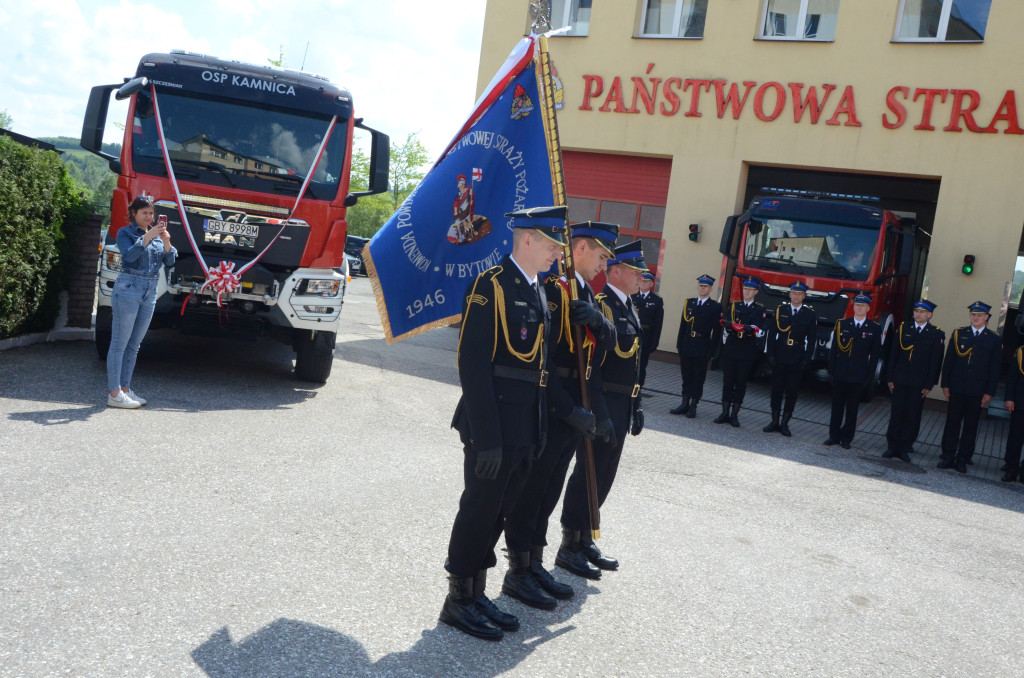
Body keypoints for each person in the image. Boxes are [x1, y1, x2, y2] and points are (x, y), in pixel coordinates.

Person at [441, 206, 566, 641]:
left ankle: (476, 592)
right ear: (527, 239)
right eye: (552, 244)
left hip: (524, 427)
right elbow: (472, 364)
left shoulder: (538, 290)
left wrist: (539, 430)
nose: (557, 253)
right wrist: (489, 437)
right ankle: (457, 599)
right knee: (479, 509)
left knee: (501, 511)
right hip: (491, 424)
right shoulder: (490, 286)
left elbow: (540, 368)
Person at [503, 220, 618, 602]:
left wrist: (599, 322)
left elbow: (597, 362)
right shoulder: (555, 291)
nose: (605, 264)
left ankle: (535, 564)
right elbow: (544, 362)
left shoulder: (589, 296)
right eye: (601, 255)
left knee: (550, 489)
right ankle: (519, 569)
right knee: (533, 490)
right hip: (554, 406)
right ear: (580, 248)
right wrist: (569, 409)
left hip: (576, 408)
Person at [560, 241, 647, 574]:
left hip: (622, 402)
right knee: (589, 473)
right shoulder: (603, 306)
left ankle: (585, 539)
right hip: (604, 401)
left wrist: (635, 404)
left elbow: (635, 360)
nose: (641, 277)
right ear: (617, 271)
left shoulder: (628, 306)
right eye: (635, 271)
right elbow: (592, 367)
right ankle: (569, 544)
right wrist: (600, 412)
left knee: (605, 473)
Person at [106, 195, 176, 409]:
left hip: (149, 290)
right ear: (134, 213)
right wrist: (148, 237)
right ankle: (114, 392)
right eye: (144, 213)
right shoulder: (124, 233)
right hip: (129, 288)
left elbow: (170, 262)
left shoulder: (155, 235)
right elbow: (129, 257)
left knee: (134, 345)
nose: (149, 217)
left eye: (151, 213)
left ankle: (125, 389)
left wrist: (166, 242)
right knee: (120, 343)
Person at [937, 301, 1001, 474]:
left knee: (971, 426)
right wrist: (946, 384)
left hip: (977, 390)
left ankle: (963, 459)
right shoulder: (959, 334)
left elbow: (995, 369)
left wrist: (989, 392)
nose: (976, 318)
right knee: (952, 423)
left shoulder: (994, 339)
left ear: (986, 317)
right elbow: (949, 361)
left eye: (979, 315)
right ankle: (948, 456)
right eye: (973, 314)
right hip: (957, 387)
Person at [883, 299, 945, 463]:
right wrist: (890, 377)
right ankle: (892, 446)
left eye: (923, 312)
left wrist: (929, 384)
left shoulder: (936, 333)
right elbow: (893, 354)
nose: (918, 314)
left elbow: (935, 362)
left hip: (919, 382)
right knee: (896, 413)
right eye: (916, 311)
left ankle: (904, 447)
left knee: (912, 415)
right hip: (900, 379)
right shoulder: (904, 328)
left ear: (930, 314)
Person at [824, 294, 882, 449]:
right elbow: (834, 350)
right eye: (857, 305)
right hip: (841, 373)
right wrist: (831, 370)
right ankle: (833, 436)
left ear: (868, 308)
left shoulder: (874, 328)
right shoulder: (842, 324)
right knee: (836, 407)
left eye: (863, 306)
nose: (859, 308)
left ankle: (847, 438)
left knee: (852, 408)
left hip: (858, 375)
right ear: (853, 307)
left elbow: (875, 355)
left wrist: (870, 376)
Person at [763, 281, 817, 437]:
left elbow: (812, 339)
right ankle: (774, 421)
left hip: (797, 358)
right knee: (776, 390)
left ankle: (785, 423)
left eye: (800, 294)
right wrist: (770, 355)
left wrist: (807, 359)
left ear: (804, 296)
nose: (796, 296)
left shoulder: (809, 314)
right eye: (794, 293)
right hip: (780, 356)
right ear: (790, 294)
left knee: (792, 392)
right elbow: (772, 334)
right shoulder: (781, 310)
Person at [714, 279, 767, 427]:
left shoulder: (759, 309)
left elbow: (759, 329)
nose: (747, 292)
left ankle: (734, 414)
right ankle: (724, 412)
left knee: (741, 383)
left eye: (750, 290)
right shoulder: (735, 305)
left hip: (747, 349)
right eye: (745, 289)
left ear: (756, 292)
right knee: (728, 381)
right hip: (732, 347)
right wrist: (730, 326)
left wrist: (750, 329)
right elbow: (727, 323)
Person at [671, 273, 722, 418]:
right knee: (686, 375)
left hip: (702, 345)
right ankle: (684, 403)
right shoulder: (690, 303)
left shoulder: (714, 307)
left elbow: (716, 332)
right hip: (687, 344)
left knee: (698, 377)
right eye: (700, 285)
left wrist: (712, 351)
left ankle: (693, 404)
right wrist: (679, 344)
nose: (702, 288)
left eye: (705, 286)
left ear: (711, 289)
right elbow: (683, 326)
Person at [631, 271, 663, 391]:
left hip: (646, 336)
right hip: (632, 336)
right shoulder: (632, 296)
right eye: (642, 281)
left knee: (641, 365)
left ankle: (638, 390)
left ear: (651, 284)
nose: (643, 283)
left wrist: (654, 342)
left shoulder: (657, 300)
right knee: (630, 364)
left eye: (646, 281)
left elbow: (658, 324)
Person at [1001, 343, 1024, 484]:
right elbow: (1012, 377)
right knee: (1015, 439)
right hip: (1020, 403)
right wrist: (1009, 398)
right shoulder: (1021, 352)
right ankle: (1011, 469)